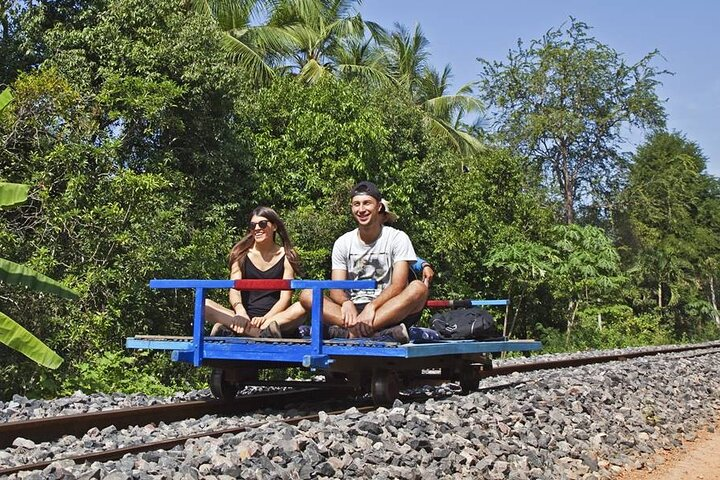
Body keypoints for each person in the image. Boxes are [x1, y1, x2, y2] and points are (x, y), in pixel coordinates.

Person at [299, 181, 428, 343]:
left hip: (386, 308)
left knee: (418, 288)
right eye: (356, 204)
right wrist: (346, 302)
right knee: (307, 294)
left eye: (367, 203)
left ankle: (351, 333)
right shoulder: (343, 242)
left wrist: (372, 306)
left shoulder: (397, 238)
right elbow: (336, 288)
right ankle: (372, 332)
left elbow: (398, 285)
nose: (361, 209)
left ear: (379, 207)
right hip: (350, 312)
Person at [205, 206, 305, 338]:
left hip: (274, 319)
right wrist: (240, 312)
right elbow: (234, 290)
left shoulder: (287, 256)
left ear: (274, 227)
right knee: (204, 304)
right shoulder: (240, 254)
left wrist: (266, 318)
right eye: (253, 225)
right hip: (243, 317)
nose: (257, 228)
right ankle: (261, 333)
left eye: (262, 224)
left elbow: (285, 298)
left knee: (303, 306)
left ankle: (235, 329)